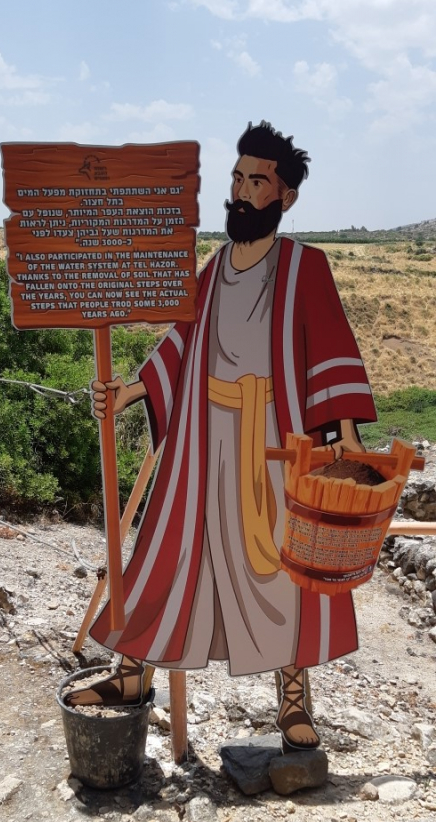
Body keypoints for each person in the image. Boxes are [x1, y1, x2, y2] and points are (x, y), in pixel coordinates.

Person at [67, 121, 377, 752]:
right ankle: (132, 674)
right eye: (236, 178)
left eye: (255, 181)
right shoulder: (212, 269)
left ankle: (294, 701)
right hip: (203, 439)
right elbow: (181, 343)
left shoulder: (305, 267)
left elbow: (332, 349)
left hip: (274, 437)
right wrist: (130, 391)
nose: (239, 191)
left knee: (287, 564)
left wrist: (343, 438)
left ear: (284, 196)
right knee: (173, 551)